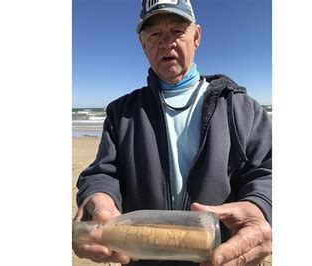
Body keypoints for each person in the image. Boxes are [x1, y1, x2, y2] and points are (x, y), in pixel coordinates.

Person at [73, 0, 272, 265]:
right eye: (154, 34)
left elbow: (269, 171)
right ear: (143, 45)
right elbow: (103, 172)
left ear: (196, 36)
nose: (166, 43)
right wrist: (99, 197)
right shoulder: (121, 113)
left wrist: (260, 206)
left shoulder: (241, 108)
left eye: (177, 31)